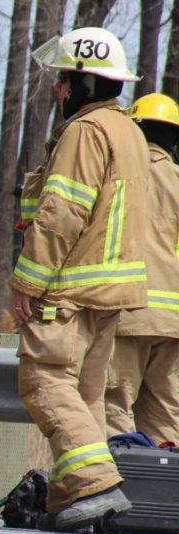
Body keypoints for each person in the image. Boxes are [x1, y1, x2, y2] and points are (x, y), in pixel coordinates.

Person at [11, 27, 150, 532]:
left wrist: (28, 282)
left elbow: (61, 214)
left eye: (65, 80)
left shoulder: (85, 131)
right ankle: (72, 502)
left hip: (70, 288)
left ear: (86, 83)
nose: (59, 90)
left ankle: (95, 482)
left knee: (44, 380)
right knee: (87, 395)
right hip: (110, 293)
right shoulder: (131, 132)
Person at [103, 94, 179, 445]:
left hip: (128, 313)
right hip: (173, 323)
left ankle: (119, 491)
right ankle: (165, 496)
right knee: (166, 415)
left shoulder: (119, 176)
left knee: (114, 407)